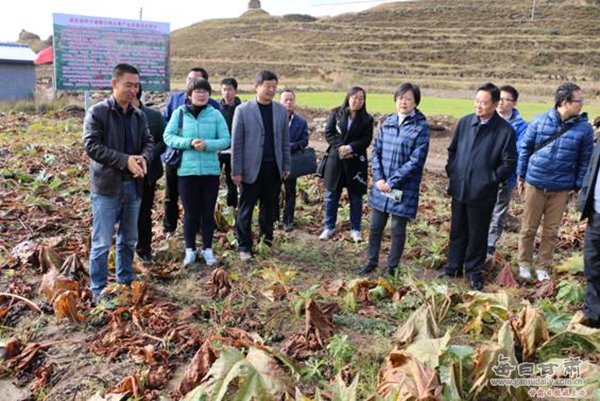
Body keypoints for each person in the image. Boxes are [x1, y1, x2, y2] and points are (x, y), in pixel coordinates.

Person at [82, 63, 154, 302]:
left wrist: (143, 158)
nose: (133, 90)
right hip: (106, 188)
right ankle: (98, 290)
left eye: (136, 86)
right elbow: (91, 146)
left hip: (134, 186)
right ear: (114, 84)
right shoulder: (98, 112)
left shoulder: (138, 115)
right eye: (128, 85)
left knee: (128, 238)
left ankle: (125, 280)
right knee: (102, 241)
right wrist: (125, 161)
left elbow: (149, 142)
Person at [442, 82, 517, 291]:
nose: (478, 106)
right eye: (476, 102)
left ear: (494, 104)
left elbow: (509, 162)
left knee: (478, 232)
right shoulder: (465, 123)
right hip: (460, 186)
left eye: (483, 103)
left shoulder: (504, 131)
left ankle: (473, 271)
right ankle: (453, 266)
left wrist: (490, 179)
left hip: (483, 191)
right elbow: (453, 150)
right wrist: (453, 171)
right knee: (457, 229)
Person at [517, 82, 594, 281]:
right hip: (535, 183)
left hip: (561, 188)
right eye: (579, 101)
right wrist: (521, 175)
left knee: (551, 231)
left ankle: (543, 265)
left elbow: (585, 160)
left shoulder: (584, 129)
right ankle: (524, 263)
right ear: (565, 102)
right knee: (528, 227)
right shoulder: (540, 121)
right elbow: (525, 148)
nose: (582, 104)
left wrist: (576, 186)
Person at [358, 83, 429, 276]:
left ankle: (392, 267)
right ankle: (371, 261)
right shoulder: (387, 122)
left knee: (397, 229)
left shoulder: (420, 127)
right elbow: (377, 151)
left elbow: (416, 160)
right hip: (383, 186)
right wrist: (380, 178)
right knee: (375, 227)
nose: (403, 102)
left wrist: (393, 181)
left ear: (415, 102)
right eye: (400, 98)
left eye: (408, 98)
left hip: (402, 188)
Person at [163, 78, 230, 266]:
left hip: (210, 172)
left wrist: (207, 145)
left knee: (208, 213)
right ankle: (190, 250)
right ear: (189, 95)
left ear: (209, 94)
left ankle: (208, 249)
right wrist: (189, 142)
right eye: (197, 92)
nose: (201, 95)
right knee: (191, 213)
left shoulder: (215, 114)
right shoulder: (180, 113)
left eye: (205, 91)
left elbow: (226, 140)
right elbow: (168, 137)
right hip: (187, 172)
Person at [231, 70, 291, 261]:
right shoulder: (243, 110)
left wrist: (286, 165)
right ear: (257, 87)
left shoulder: (281, 111)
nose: (271, 90)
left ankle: (266, 242)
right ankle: (244, 246)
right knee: (246, 209)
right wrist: (236, 170)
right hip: (250, 169)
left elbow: (284, 141)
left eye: (274, 87)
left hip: (273, 168)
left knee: (269, 208)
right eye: (267, 86)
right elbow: (237, 143)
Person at [162, 67, 220, 235]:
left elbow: (221, 134)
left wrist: (208, 144)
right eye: (189, 79)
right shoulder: (176, 100)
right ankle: (169, 228)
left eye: (195, 80)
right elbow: (164, 124)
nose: (191, 83)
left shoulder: (213, 105)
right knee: (171, 195)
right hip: (176, 156)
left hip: (200, 158)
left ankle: (200, 229)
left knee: (200, 196)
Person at [319, 86, 373, 243]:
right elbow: (329, 133)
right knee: (331, 195)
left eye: (361, 98)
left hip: (356, 161)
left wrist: (350, 148)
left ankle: (355, 229)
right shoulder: (336, 113)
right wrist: (341, 147)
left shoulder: (367, 119)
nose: (357, 101)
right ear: (348, 97)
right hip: (336, 160)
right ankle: (329, 226)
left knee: (355, 197)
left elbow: (366, 139)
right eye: (354, 97)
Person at [487, 85, 528, 256]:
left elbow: (518, 151)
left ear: (514, 102)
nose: (502, 102)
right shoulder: (487, 118)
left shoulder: (521, 126)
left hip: (506, 176)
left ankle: (490, 245)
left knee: (499, 211)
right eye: (500, 99)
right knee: (481, 208)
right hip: (485, 174)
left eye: (506, 99)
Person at [132, 84, 166, 262]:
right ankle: (125, 248)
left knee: (144, 212)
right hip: (122, 173)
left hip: (147, 173)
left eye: (133, 87)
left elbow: (163, 140)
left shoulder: (153, 116)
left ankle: (144, 249)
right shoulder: (112, 115)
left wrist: (147, 157)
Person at [578, 125, 600, 329]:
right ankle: (593, 314)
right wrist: (584, 197)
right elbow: (592, 169)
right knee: (592, 263)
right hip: (596, 212)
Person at [279, 89, 309, 232]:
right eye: (286, 100)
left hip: (291, 162)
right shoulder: (273, 118)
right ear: (280, 102)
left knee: (290, 193)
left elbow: (304, 141)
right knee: (272, 191)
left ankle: (288, 220)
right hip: (273, 161)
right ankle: (272, 219)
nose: (289, 102)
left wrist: (290, 146)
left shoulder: (301, 122)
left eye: (291, 100)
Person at [219, 77, 242, 208]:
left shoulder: (242, 109)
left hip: (234, 152)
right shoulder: (216, 109)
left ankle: (232, 210)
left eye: (230, 90)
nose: (227, 93)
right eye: (224, 90)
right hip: (217, 151)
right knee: (211, 182)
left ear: (236, 91)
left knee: (232, 183)